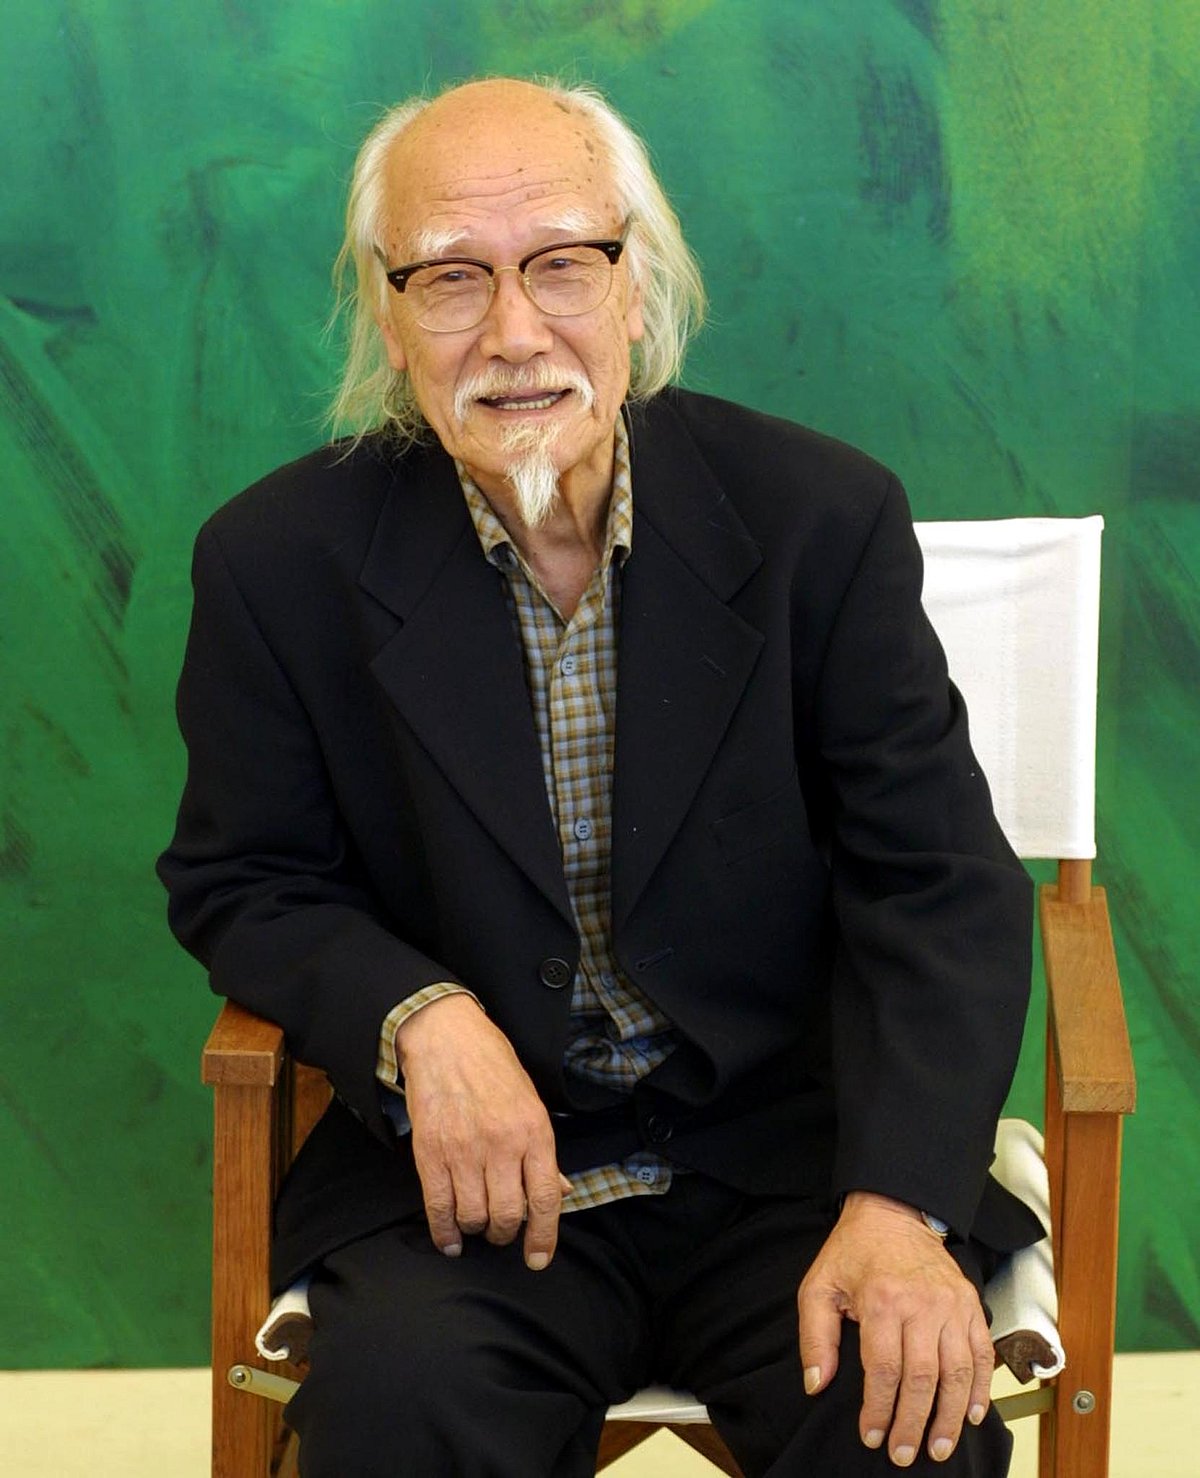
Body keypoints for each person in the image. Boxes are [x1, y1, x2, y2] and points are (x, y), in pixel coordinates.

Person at [159, 76, 1042, 1476]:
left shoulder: (822, 518)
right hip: (472, 1195)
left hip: (792, 1166)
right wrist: (417, 1014)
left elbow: (935, 884)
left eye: (563, 264)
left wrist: (900, 1203)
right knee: (394, 1413)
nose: (515, 332)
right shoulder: (275, 565)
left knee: (905, 1424)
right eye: (451, 277)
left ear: (640, 284)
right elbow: (243, 875)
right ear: (387, 319)